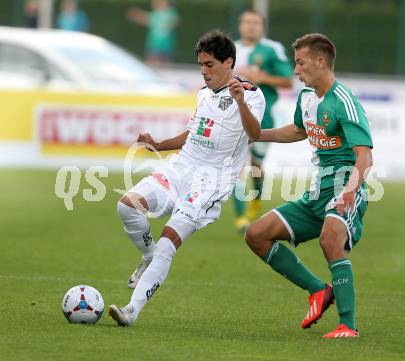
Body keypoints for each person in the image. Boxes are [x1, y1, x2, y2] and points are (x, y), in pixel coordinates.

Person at [109, 30, 265, 326]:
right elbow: (193, 134)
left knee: (169, 240)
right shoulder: (203, 94)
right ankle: (148, 256)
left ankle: (131, 310)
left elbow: (254, 134)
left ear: (228, 62)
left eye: (209, 65)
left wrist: (241, 102)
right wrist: (157, 145)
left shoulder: (250, 93)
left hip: (212, 181)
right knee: (127, 205)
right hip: (180, 168)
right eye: (201, 65)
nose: (203, 71)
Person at [245, 33, 373, 338]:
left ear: (320, 61)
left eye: (300, 63)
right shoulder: (306, 97)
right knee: (257, 235)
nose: (295, 70)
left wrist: (349, 192)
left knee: (330, 240)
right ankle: (318, 290)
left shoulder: (344, 102)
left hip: (344, 186)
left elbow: (364, 156)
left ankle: (348, 326)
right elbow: (298, 130)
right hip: (317, 191)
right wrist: (258, 134)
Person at [233, 10, 293, 232]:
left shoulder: (272, 49)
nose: (251, 26)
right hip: (233, 114)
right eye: (247, 22)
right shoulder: (230, 48)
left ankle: (255, 199)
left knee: (256, 166)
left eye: (255, 23)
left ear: (263, 27)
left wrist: (262, 78)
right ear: (240, 25)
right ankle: (241, 218)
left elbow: (288, 80)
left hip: (263, 117)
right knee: (234, 165)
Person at [126, 0, 179, 65]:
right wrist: (136, 15)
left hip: (165, 46)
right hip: (154, 46)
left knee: (164, 64)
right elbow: (146, 18)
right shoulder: (156, 13)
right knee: (152, 63)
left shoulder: (170, 13)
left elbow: (174, 21)